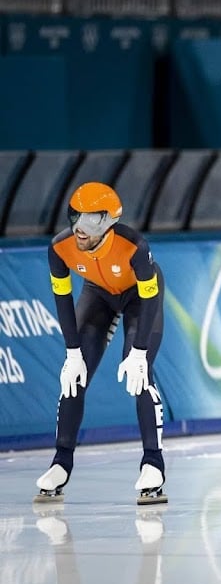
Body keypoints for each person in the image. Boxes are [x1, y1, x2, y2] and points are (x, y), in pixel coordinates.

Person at [34, 182, 168, 507]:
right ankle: (61, 462)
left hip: (140, 298)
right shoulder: (60, 248)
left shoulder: (135, 247)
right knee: (73, 378)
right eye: (75, 216)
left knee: (139, 375)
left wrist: (138, 353)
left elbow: (150, 298)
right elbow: (63, 298)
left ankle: (153, 463)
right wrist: (71, 352)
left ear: (108, 223)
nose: (79, 229)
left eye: (89, 221)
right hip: (98, 296)